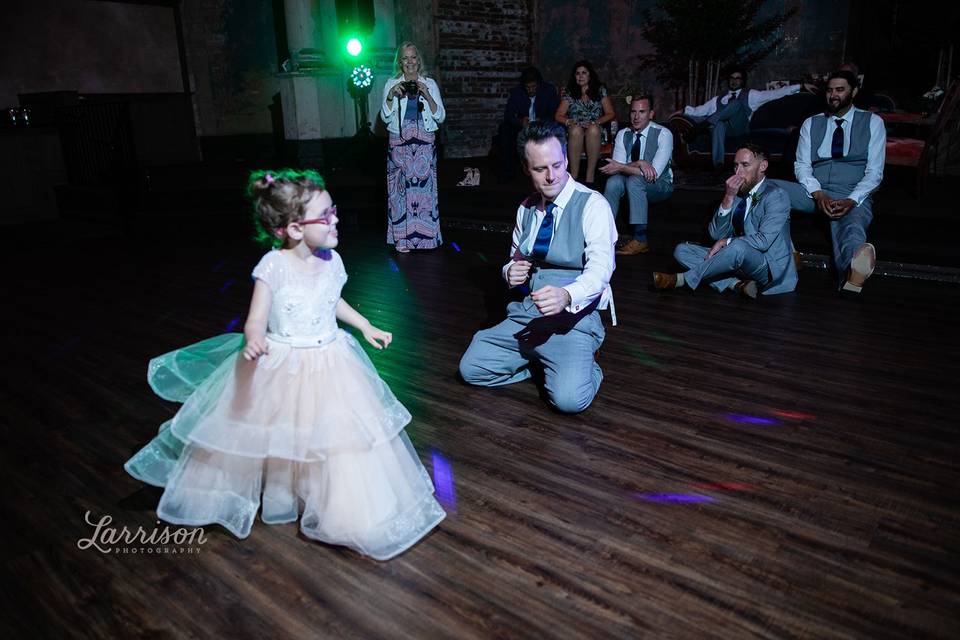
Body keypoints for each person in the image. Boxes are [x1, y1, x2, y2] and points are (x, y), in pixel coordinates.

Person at [125, 169, 445, 560]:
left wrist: (365, 325)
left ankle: (341, 506)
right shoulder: (272, 267)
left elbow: (332, 301)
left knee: (336, 434)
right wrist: (255, 336)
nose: (335, 220)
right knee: (282, 430)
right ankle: (273, 490)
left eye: (334, 211)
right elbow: (256, 316)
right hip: (284, 361)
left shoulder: (333, 260)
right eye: (325, 215)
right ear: (294, 228)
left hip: (331, 359)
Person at [459, 124, 617, 413]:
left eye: (557, 165)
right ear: (526, 168)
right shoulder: (527, 208)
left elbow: (600, 271)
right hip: (528, 315)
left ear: (567, 159)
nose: (551, 176)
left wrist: (567, 296)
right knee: (471, 369)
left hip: (573, 319)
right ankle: (541, 365)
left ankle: (584, 368)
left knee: (570, 401)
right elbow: (514, 257)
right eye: (540, 168)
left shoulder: (593, 205)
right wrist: (509, 272)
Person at [769, 69, 885, 292]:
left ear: (854, 91)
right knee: (767, 189)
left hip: (851, 191)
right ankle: (787, 253)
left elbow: (874, 173)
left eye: (840, 90)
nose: (833, 95)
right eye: (830, 90)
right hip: (814, 190)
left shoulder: (873, 123)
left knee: (851, 227)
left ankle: (853, 273)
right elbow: (802, 166)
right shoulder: (811, 123)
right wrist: (818, 193)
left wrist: (851, 200)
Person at [653, 143, 798, 298]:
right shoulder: (737, 193)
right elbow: (716, 235)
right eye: (736, 166)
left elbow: (763, 241)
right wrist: (729, 197)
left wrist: (727, 242)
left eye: (745, 165)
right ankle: (736, 284)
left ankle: (682, 279)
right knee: (682, 250)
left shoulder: (776, 195)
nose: (738, 172)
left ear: (763, 166)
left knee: (737, 247)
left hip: (768, 267)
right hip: (737, 261)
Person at [380, 41, 446, 253]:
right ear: (400, 62)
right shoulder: (391, 83)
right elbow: (384, 117)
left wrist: (426, 93)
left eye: (413, 57)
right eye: (405, 58)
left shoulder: (430, 83)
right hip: (399, 142)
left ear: (419, 60)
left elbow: (440, 116)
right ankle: (402, 240)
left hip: (424, 141)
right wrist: (391, 96)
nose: (410, 62)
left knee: (425, 192)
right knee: (400, 192)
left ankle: (427, 239)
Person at [682, 68, 812, 168]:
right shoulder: (719, 99)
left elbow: (774, 94)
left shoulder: (751, 95)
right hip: (724, 131)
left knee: (736, 104)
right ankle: (718, 166)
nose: (734, 81)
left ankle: (704, 125)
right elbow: (698, 111)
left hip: (741, 128)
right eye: (732, 78)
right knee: (718, 124)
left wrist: (800, 86)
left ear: (742, 81)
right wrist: (682, 111)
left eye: (738, 78)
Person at [600, 94, 674, 255]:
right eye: (633, 112)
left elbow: (653, 174)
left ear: (651, 114)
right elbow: (617, 169)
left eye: (642, 112)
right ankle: (603, 235)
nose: (636, 117)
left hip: (660, 185)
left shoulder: (664, 134)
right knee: (613, 182)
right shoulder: (623, 134)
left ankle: (640, 239)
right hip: (631, 181)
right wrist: (640, 162)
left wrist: (625, 166)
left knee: (634, 181)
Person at [554, 60, 615, 186]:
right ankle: (574, 177)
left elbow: (610, 113)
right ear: (574, 76)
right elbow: (558, 115)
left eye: (584, 73)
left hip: (596, 130)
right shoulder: (570, 92)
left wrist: (596, 122)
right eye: (577, 73)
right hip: (575, 130)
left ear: (590, 75)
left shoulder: (600, 90)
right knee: (576, 130)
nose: (580, 76)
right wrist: (568, 121)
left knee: (593, 129)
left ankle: (589, 177)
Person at [498, 66, 560, 181]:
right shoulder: (517, 93)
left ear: (539, 85)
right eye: (528, 87)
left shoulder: (549, 91)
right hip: (522, 127)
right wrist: (520, 121)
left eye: (533, 87)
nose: (531, 90)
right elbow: (508, 115)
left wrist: (540, 121)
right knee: (504, 129)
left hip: (542, 126)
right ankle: (508, 173)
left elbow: (554, 114)